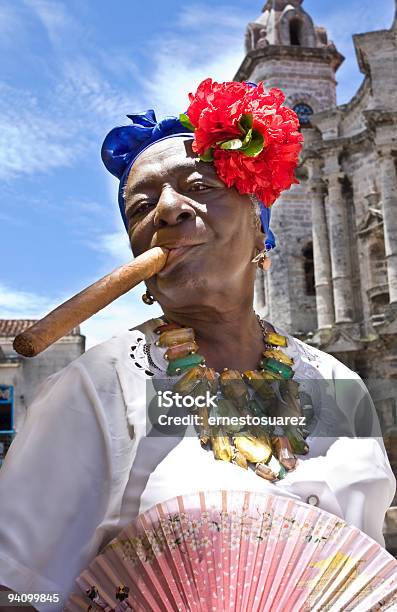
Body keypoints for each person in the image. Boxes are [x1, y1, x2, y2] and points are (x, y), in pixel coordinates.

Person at [0, 79, 395, 611]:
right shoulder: (97, 389)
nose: (166, 210)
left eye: (201, 185)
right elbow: (19, 587)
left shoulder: (341, 388)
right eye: (141, 207)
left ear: (261, 231)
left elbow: (366, 582)